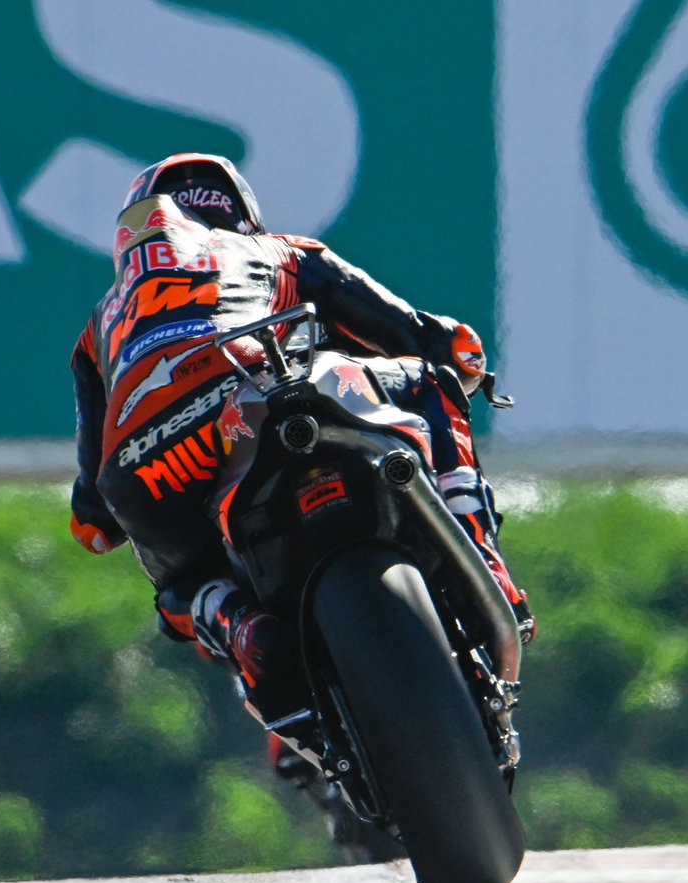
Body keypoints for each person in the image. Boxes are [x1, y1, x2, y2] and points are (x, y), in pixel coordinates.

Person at [68, 153, 530, 751]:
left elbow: (92, 513)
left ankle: (239, 625)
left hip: (146, 463)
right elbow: (416, 335)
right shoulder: (282, 251)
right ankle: (477, 545)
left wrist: (102, 520)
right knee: (426, 382)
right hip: (264, 392)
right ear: (241, 211)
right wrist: (461, 354)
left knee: (183, 585)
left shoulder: (97, 327)